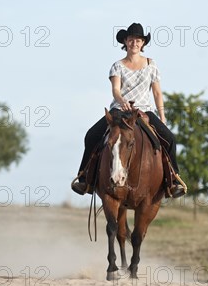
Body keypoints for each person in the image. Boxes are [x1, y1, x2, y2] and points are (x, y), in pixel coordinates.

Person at [71, 22, 186, 198]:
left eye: (138, 40)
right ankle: (85, 178)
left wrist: (161, 115)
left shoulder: (151, 64)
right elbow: (116, 90)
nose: (135, 43)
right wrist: (122, 101)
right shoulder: (117, 66)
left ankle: (173, 181)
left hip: (144, 111)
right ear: (126, 41)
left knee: (169, 138)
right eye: (131, 40)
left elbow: (156, 92)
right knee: (91, 135)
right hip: (120, 110)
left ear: (143, 43)